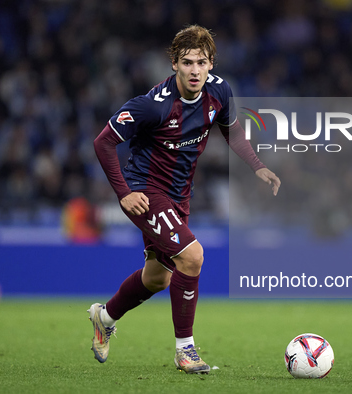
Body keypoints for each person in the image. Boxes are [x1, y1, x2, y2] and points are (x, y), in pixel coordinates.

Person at [89, 25, 280, 374]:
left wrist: (257, 166)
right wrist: (124, 193)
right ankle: (185, 351)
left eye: (202, 62)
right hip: (145, 192)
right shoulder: (151, 106)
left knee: (157, 279)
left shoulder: (220, 92)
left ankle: (104, 316)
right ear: (174, 63)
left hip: (179, 196)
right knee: (192, 258)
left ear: (211, 65)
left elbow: (232, 129)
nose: (195, 70)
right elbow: (103, 141)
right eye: (187, 62)